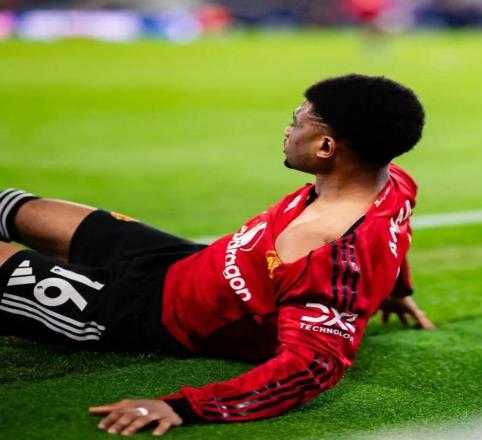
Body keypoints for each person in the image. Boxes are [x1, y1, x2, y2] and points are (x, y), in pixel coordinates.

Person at [0, 74, 434, 437]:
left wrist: (184, 407)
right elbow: (397, 234)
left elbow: (311, 367)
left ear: (325, 147)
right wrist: (396, 289)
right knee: (15, 207)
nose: (287, 131)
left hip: (141, 312)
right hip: (178, 260)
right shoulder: (393, 181)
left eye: (296, 122)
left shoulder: (325, 247)